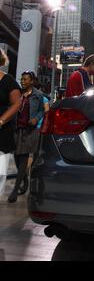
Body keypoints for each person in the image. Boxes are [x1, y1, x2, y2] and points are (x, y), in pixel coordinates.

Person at [8, 71, 45, 203]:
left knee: (23, 159)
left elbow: (42, 110)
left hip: (30, 131)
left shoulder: (38, 95)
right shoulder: (17, 93)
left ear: (32, 81)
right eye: (22, 79)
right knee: (16, 158)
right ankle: (24, 180)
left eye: (25, 79)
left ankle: (15, 191)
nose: (23, 81)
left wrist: (36, 119)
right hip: (17, 130)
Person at [0, 49, 21, 195]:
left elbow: (17, 104)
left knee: (0, 169)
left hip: (2, 129)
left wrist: (1, 120)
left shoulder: (8, 81)